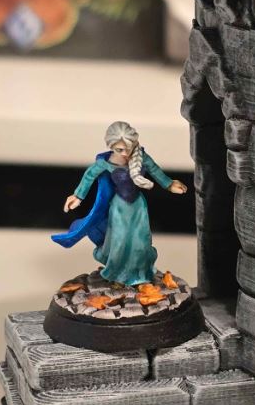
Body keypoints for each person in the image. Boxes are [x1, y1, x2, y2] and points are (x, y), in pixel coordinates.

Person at [51, 121, 187, 286]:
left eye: (128, 148)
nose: (125, 153)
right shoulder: (106, 162)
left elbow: (155, 171)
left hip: (138, 207)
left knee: (140, 239)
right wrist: (78, 196)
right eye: (119, 149)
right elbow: (89, 176)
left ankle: (140, 272)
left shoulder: (141, 157)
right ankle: (117, 273)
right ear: (111, 146)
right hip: (119, 207)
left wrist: (169, 184)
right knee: (120, 239)